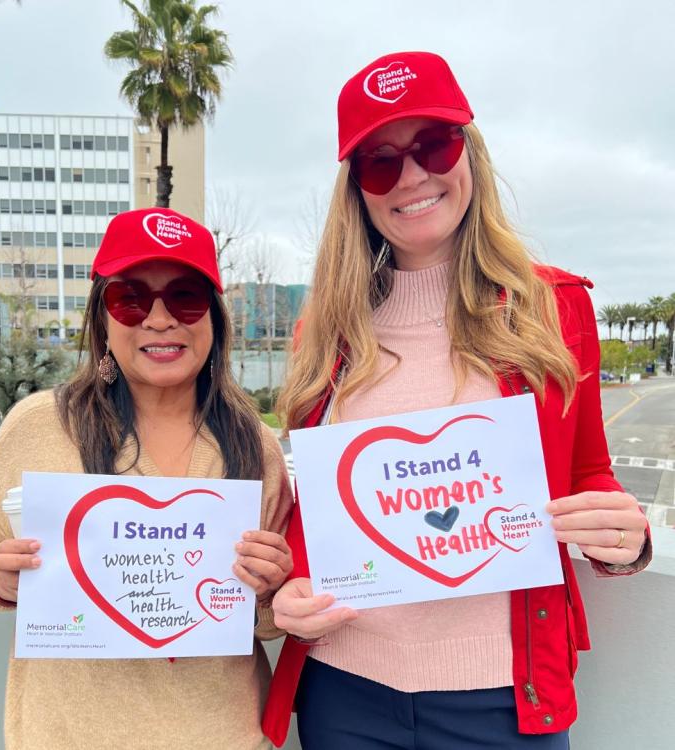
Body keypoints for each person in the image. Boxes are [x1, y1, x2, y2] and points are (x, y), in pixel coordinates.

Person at [262, 51, 652, 749]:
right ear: (357, 191)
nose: (412, 176)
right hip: (346, 691)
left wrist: (624, 540)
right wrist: (294, 586)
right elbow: (316, 506)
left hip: (503, 697)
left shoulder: (552, 309)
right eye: (381, 162)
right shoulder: (323, 334)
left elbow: (590, 473)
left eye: (433, 146)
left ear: (469, 152)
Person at [0, 208, 294, 750]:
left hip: (222, 734)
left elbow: (269, 618)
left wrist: (272, 587)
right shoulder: (41, 425)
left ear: (214, 320)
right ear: (102, 319)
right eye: (130, 298)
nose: (159, 320)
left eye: (185, 297)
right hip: (67, 736)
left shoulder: (255, 442)